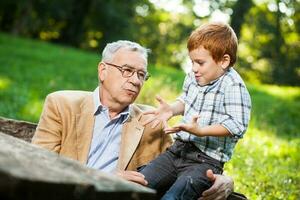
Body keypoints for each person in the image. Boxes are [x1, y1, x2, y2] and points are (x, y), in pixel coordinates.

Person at [31, 40, 235, 199]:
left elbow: (184, 162)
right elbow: (36, 166)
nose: (136, 81)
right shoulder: (61, 104)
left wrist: (226, 180)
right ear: (103, 71)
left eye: (141, 75)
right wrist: (103, 179)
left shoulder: (151, 121)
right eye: (127, 71)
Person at [140, 22, 251, 200]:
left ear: (224, 61)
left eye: (200, 62)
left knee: (173, 197)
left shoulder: (233, 85)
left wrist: (200, 131)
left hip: (205, 162)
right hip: (177, 151)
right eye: (192, 61)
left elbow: (237, 125)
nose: (194, 68)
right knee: (139, 184)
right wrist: (171, 109)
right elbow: (186, 100)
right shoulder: (194, 77)